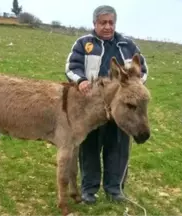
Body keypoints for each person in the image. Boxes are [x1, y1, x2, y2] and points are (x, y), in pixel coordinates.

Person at [64, 5, 149, 204]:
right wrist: (81, 81)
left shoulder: (127, 45)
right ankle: (89, 190)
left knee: (118, 149)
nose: (107, 26)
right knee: (90, 149)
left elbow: (142, 70)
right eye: (103, 22)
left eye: (111, 22)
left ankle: (115, 190)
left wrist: (133, 87)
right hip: (92, 109)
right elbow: (72, 66)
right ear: (95, 23)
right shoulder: (84, 43)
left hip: (122, 109)